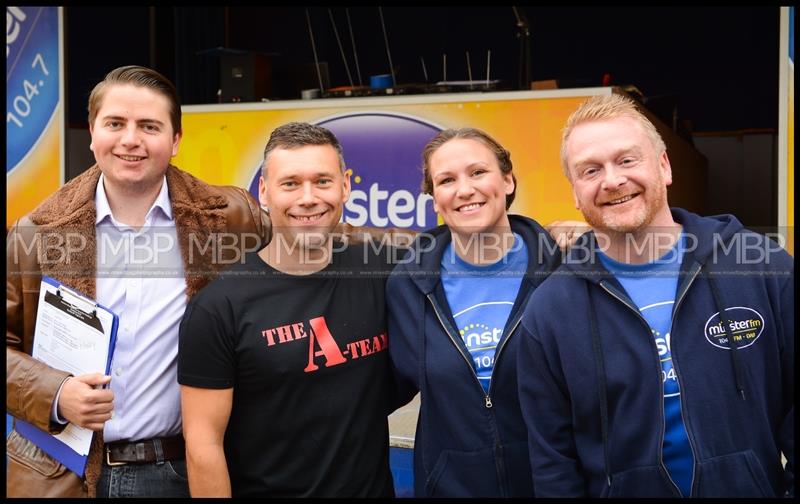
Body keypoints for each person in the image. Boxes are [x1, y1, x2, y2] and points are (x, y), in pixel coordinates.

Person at [6, 65, 273, 498]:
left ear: (175, 140)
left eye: (149, 126)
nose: (131, 140)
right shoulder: (34, 234)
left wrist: (422, 245)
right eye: (115, 124)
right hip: (61, 478)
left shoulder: (229, 219)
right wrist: (54, 392)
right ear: (93, 131)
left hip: (181, 472)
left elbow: (313, 234)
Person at [517, 93, 794, 497]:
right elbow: (552, 461)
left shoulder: (763, 267)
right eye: (590, 170)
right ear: (575, 194)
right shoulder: (549, 312)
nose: (612, 180)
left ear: (663, 166)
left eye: (627, 160)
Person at [177, 122, 398, 497]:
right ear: (264, 191)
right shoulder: (219, 308)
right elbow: (203, 447)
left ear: (346, 185)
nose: (308, 198)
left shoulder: (383, 273)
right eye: (291, 183)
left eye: (323, 181)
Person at [386, 128, 562, 497]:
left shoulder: (562, 270)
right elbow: (378, 387)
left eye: (478, 172)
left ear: (508, 180)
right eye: (447, 180)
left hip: (553, 485)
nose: (464, 190)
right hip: (450, 486)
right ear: (435, 199)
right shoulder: (408, 285)